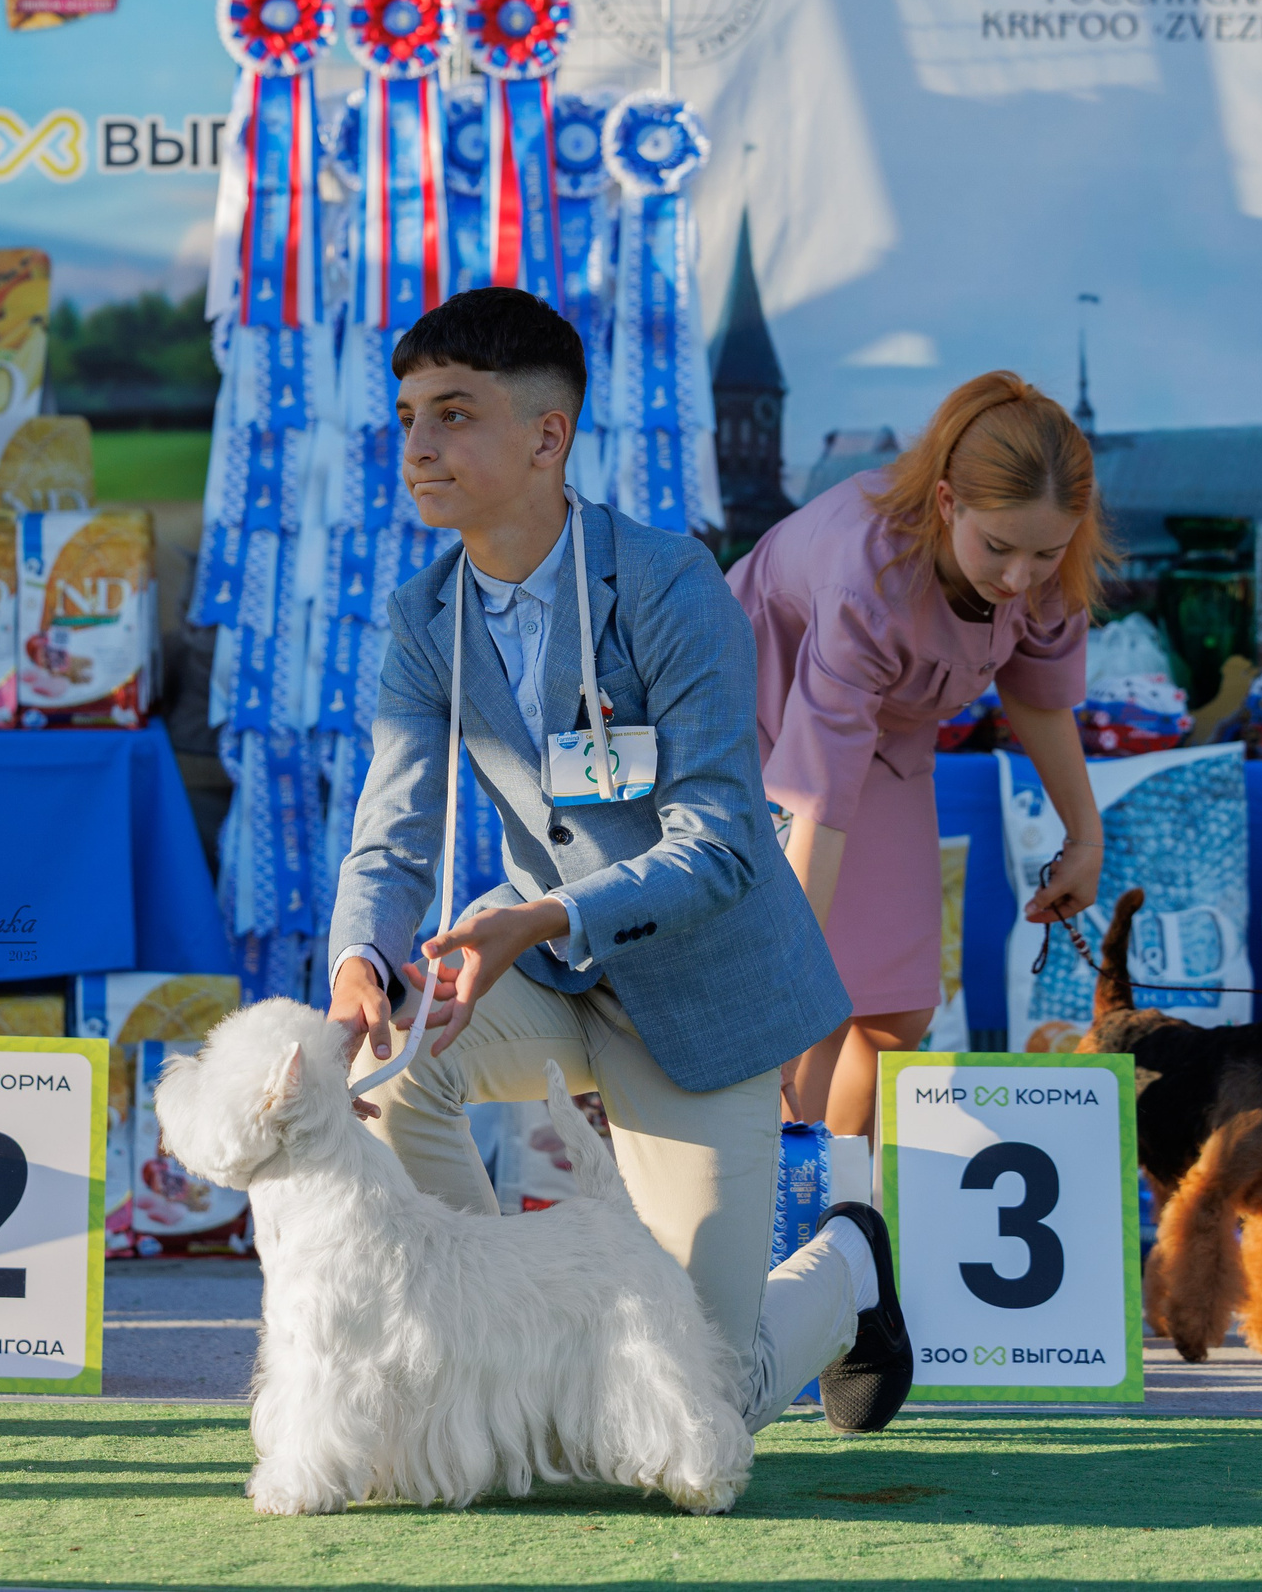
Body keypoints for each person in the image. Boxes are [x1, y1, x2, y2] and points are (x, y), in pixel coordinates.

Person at [326, 286, 910, 1435]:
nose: (417, 445)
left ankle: (846, 1275)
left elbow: (723, 847)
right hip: (539, 971)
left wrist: (533, 921)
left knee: (701, 1401)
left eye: (452, 414)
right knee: (388, 1075)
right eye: (404, 417)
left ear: (548, 437)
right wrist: (360, 958)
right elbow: (391, 829)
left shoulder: (668, 581)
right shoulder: (418, 612)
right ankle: (495, 1349)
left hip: (704, 987)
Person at [729, 371, 1109, 1138]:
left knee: (897, 1006)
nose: (1018, 579)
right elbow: (813, 796)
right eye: (999, 548)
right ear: (947, 503)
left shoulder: (1043, 561)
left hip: (890, 739)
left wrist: (1085, 836)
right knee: (808, 1012)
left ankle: (844, 1205)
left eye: (1045, 554)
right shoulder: (865, 578)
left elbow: (1037, 695)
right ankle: (775, 1224)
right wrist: (782, 978)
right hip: (759, 724)